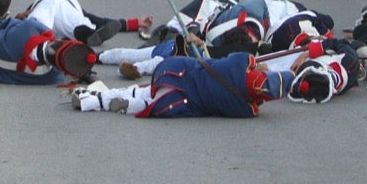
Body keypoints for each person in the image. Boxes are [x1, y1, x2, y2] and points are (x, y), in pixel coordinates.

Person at [71, 52, 292, 118]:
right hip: (179, 102)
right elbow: (255, 104)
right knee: (147, 101)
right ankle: (106, 103)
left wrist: (262, 68)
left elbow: (253, 61)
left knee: (144, 89)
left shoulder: (240, 61)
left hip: (177, 73)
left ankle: (93, 96)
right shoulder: (245, 109)